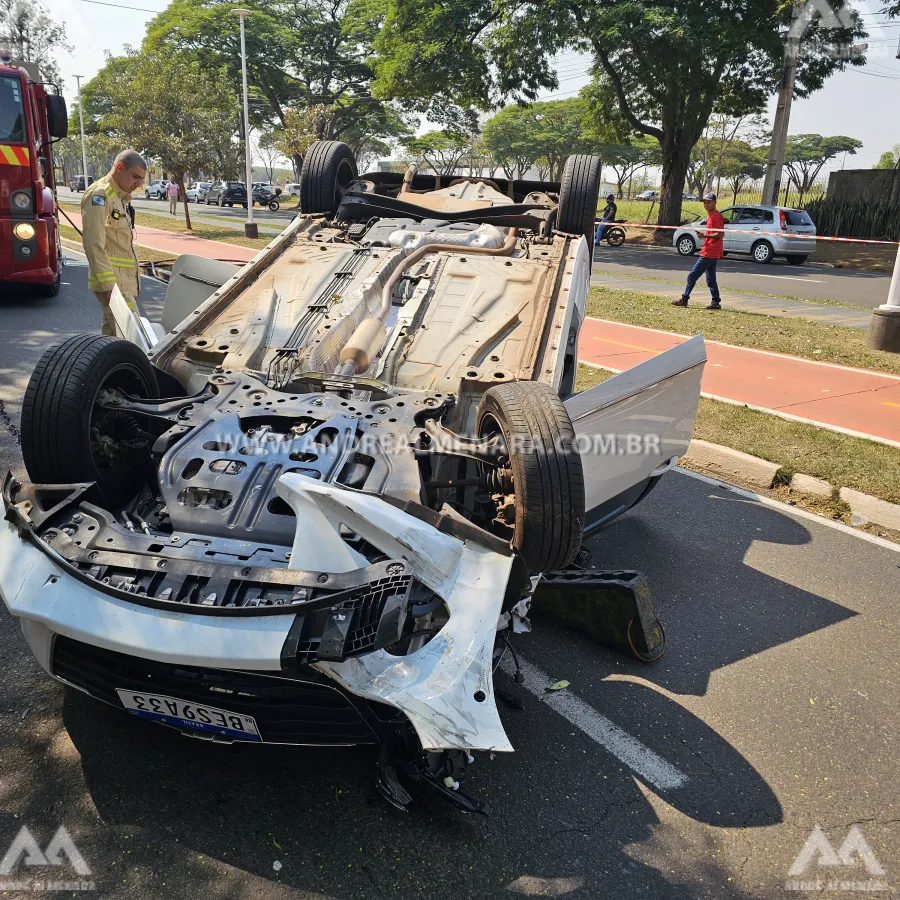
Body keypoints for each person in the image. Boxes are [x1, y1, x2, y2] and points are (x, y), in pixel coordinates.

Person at [81, 149, 146, 335]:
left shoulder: (118, 197)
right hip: (114, 285)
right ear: (119, 167)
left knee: (113, 340)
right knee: (134, 339)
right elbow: (93, 243)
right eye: (135, 177)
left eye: (141, 179)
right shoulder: (100, 194)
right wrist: (109, 287)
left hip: (122, 284)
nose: (139, 184)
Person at [672, 192, 724, 310]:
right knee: (711, 279)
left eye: (709, 202)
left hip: (710, 251)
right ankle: (715, 302)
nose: (706, 204)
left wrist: (705, 236)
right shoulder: (711, 216)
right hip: (711, 251)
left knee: (692, 275)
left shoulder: (716, 216)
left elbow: (720, 234)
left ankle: (684, 299)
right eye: (705, 202)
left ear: (715, 202)